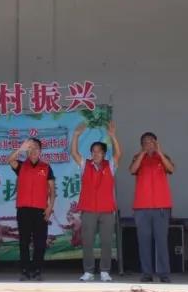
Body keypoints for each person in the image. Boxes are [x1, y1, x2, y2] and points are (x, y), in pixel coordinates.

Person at [71, 121, 123, 282]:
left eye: (99, 151)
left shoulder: (110, 166)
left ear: (104, 154)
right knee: (87, 242)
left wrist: (113, 136)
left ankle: (105, 271)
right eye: (93, 151)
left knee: (106, 242)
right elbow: (74, 153)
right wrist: (76, 135)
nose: (96, 154)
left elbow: (118, 154)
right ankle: (88, 271)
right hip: (88, 210)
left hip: (107, 210)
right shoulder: (85, 165)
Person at [129, 132, 175, 283]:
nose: (149, 144)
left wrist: (159, 152)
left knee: (161, 241)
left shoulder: (163, 157)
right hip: (142, 208)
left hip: (161, 206)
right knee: (144, 241)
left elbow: (171, 169)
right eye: (145, 142)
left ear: (156, 143)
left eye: (151, 141)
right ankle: (146, 273)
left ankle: (164, 274)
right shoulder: (138, 157)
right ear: (141, 144)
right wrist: (142, 153)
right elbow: (132, 170)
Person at [8, 137, 55, 281]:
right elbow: (10, 160)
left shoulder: (46, 167)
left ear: (40, 151)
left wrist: (50, 207)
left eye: (36, 148)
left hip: (40, 210)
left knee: (40, 242)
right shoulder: (21, 166)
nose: (33, 151)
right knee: (24, 242)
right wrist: (21, 148)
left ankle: (37, 269)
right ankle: (25, 270)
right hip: (24, 210)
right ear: (27, 151)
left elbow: (52, 191)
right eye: (31, 148)